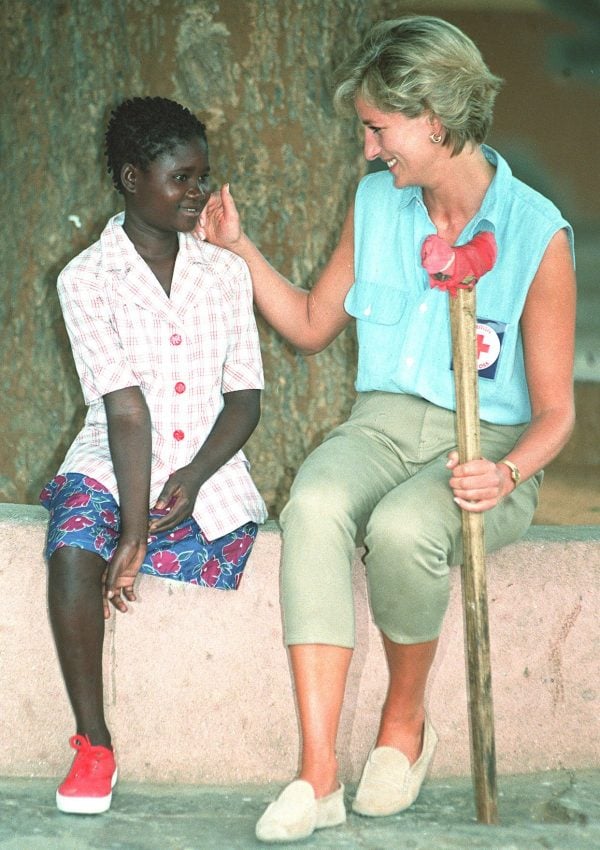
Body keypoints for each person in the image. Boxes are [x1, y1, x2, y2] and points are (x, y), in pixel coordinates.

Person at [199, 15, 576, 844]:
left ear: (435, 120)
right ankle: (318, 775)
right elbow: (306, 323)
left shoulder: (536, 234)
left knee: (408, 526)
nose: (369, 150)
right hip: (380, 426)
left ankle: (404, 727)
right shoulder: (375, 202)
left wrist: (506, 475)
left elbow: (557, 414)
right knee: (317, 500)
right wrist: (239, 249)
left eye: (379, 129)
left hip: (489, 448)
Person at [40, 96, 266, 815]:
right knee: (77, 546)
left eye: (203, 177)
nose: (198, 193)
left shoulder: (225, 275)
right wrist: (131, 529)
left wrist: (195, 478)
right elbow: (126, 411)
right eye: (182, 178)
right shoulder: (85, 280)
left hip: (204, 460)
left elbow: (245, 400)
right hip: (116, 452)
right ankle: (94, 742)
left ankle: (156, 524)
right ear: (133, 178)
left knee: (213, 542)